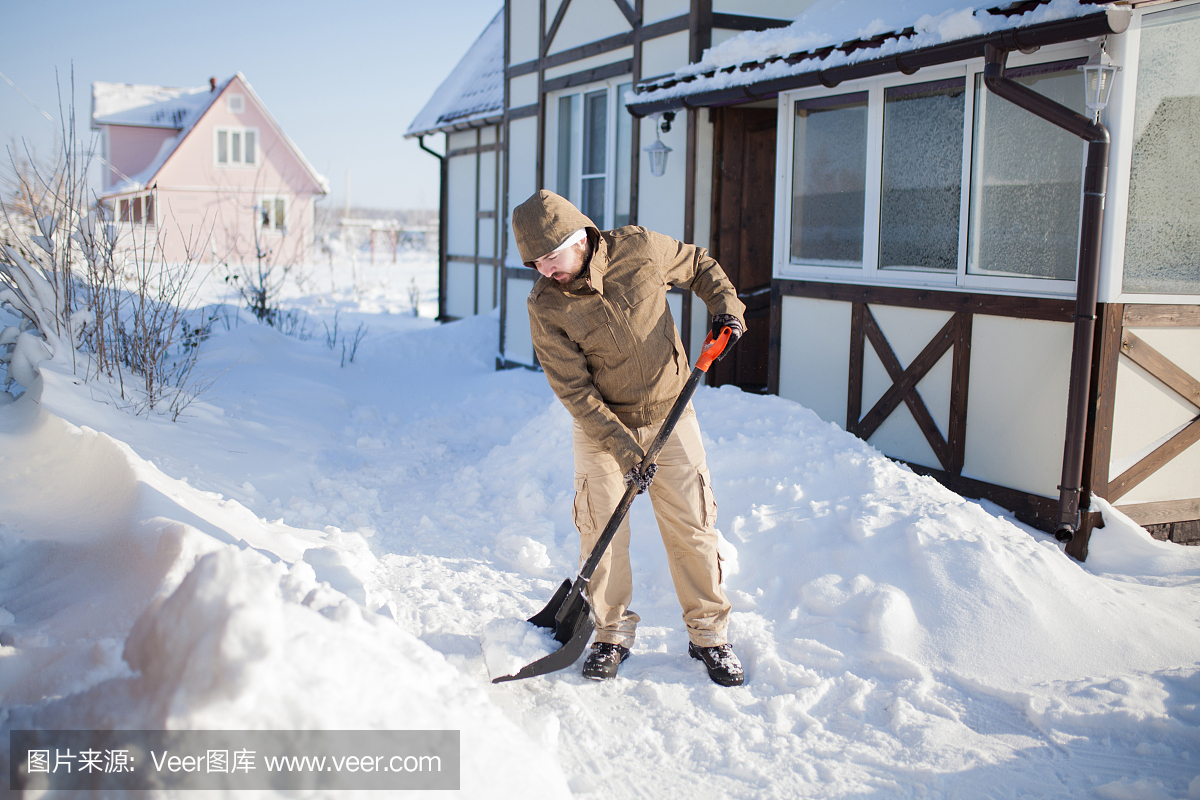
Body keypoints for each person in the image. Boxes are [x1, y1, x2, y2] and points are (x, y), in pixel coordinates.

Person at [511, 189, 747, 687]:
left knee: (692, 525)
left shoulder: (638, 248)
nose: (544, 271)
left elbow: (700, 265)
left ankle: (709, 635)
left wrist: (726, 307)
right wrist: (624, 448)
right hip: (601, 428)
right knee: (602, 531)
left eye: (550, 258)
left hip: (670, 412)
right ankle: (610, 633)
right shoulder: (546, 306)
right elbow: (575, 392)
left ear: (579, 238)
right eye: (534, 264)